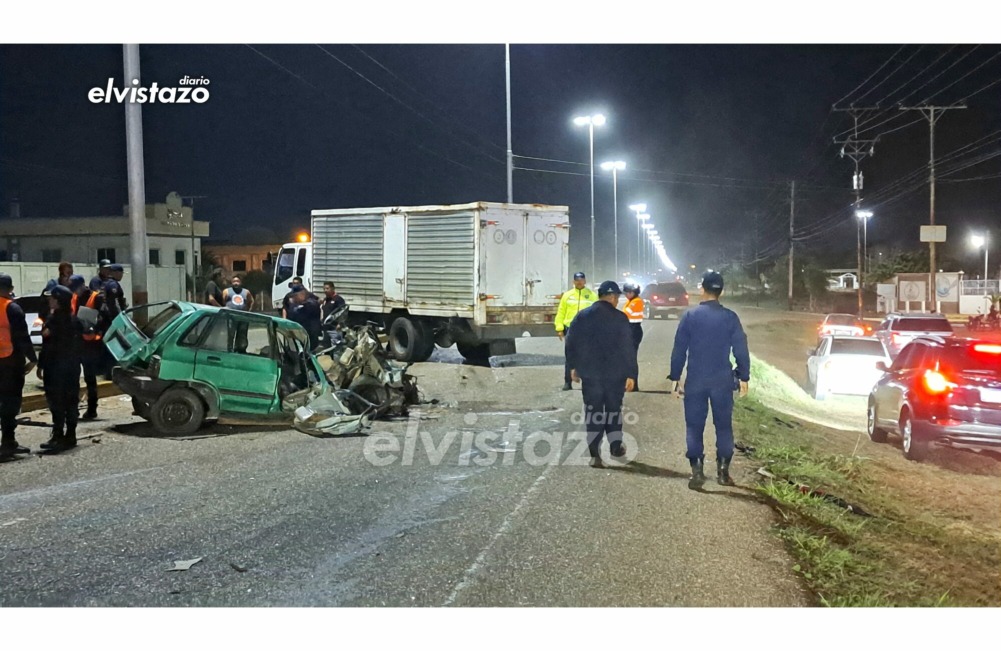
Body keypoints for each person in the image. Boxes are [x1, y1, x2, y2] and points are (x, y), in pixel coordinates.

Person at [667, 271, 750, 488]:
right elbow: (741, 348)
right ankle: (723, 473)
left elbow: (679, 349)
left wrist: (675, 377)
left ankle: (697, 472)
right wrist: (744, 376)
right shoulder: (730, 317)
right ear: (721, 291)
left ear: (703, 289)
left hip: (696, 380)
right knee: (724, 427)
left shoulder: (690, 316)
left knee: (694, 427)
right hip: (722, 380)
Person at [565, 280, 637, 468]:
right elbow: (628, 348)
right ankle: (615, 446)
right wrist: (631, 374)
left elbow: (571, 343)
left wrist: (573, 367)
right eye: (617, 297)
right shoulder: (620, 318)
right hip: (615, 374)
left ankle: (594, 451)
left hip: (590, 374)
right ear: (612, 297)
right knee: (613, 410)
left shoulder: (582, 316)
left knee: (593, 411)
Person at [37, 286, 84, 453]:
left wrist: (41, 365)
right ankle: (69, 435)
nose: (49, 300)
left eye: (52, 298)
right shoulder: (74, 320)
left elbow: (47, 345)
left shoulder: (54, 320)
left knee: (57, 402)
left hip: (56, 368)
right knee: (70, 401)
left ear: (58, 301)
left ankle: (59, 436)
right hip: (71, 367)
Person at [0, 274, 39, 461]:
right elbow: (23, 337)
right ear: (10, 288)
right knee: (10, 402)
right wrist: (32, 359)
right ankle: (8, 442)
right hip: (10, 363)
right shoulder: (12, 308)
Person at [69, 274, 107, 420]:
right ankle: (74, 408)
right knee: (73, 376)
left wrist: (95, 328)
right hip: (77, 342)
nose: (75, 292)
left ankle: (92, 409)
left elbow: (104, 318)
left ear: (82, 286)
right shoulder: (74, 297)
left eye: (76, 288)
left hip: (90, 344)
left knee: (90, 378)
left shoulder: (96, 297)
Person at [555, 271, 598, 391]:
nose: (579, 282)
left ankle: (587, 381)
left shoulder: (592, 295)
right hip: (570, 329)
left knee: (587, 356)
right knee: (570, 357)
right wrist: (559, 328)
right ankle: (567, 382)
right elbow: (561, 312)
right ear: (573, 281)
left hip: (587, 329)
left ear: (585, 281)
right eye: (577, 280)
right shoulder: (567, 295)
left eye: (581, 280)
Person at [621, 282, 645, 391]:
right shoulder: (631, 301)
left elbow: (624, 314)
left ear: (632, 292)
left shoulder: (636, 302)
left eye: (626, 293)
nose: (625, 295)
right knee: (627, 358)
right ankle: (629, 383)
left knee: (631, 358)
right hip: (630, 330)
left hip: (633, 331)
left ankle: (633, 384)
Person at [286, 283, 322, 349]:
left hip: (310, 335)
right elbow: (291, 317)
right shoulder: (293, 306)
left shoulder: (312, 304)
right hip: (297, 335)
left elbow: (311, 307)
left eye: (295, 295)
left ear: (302, 294)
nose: (294, 297)